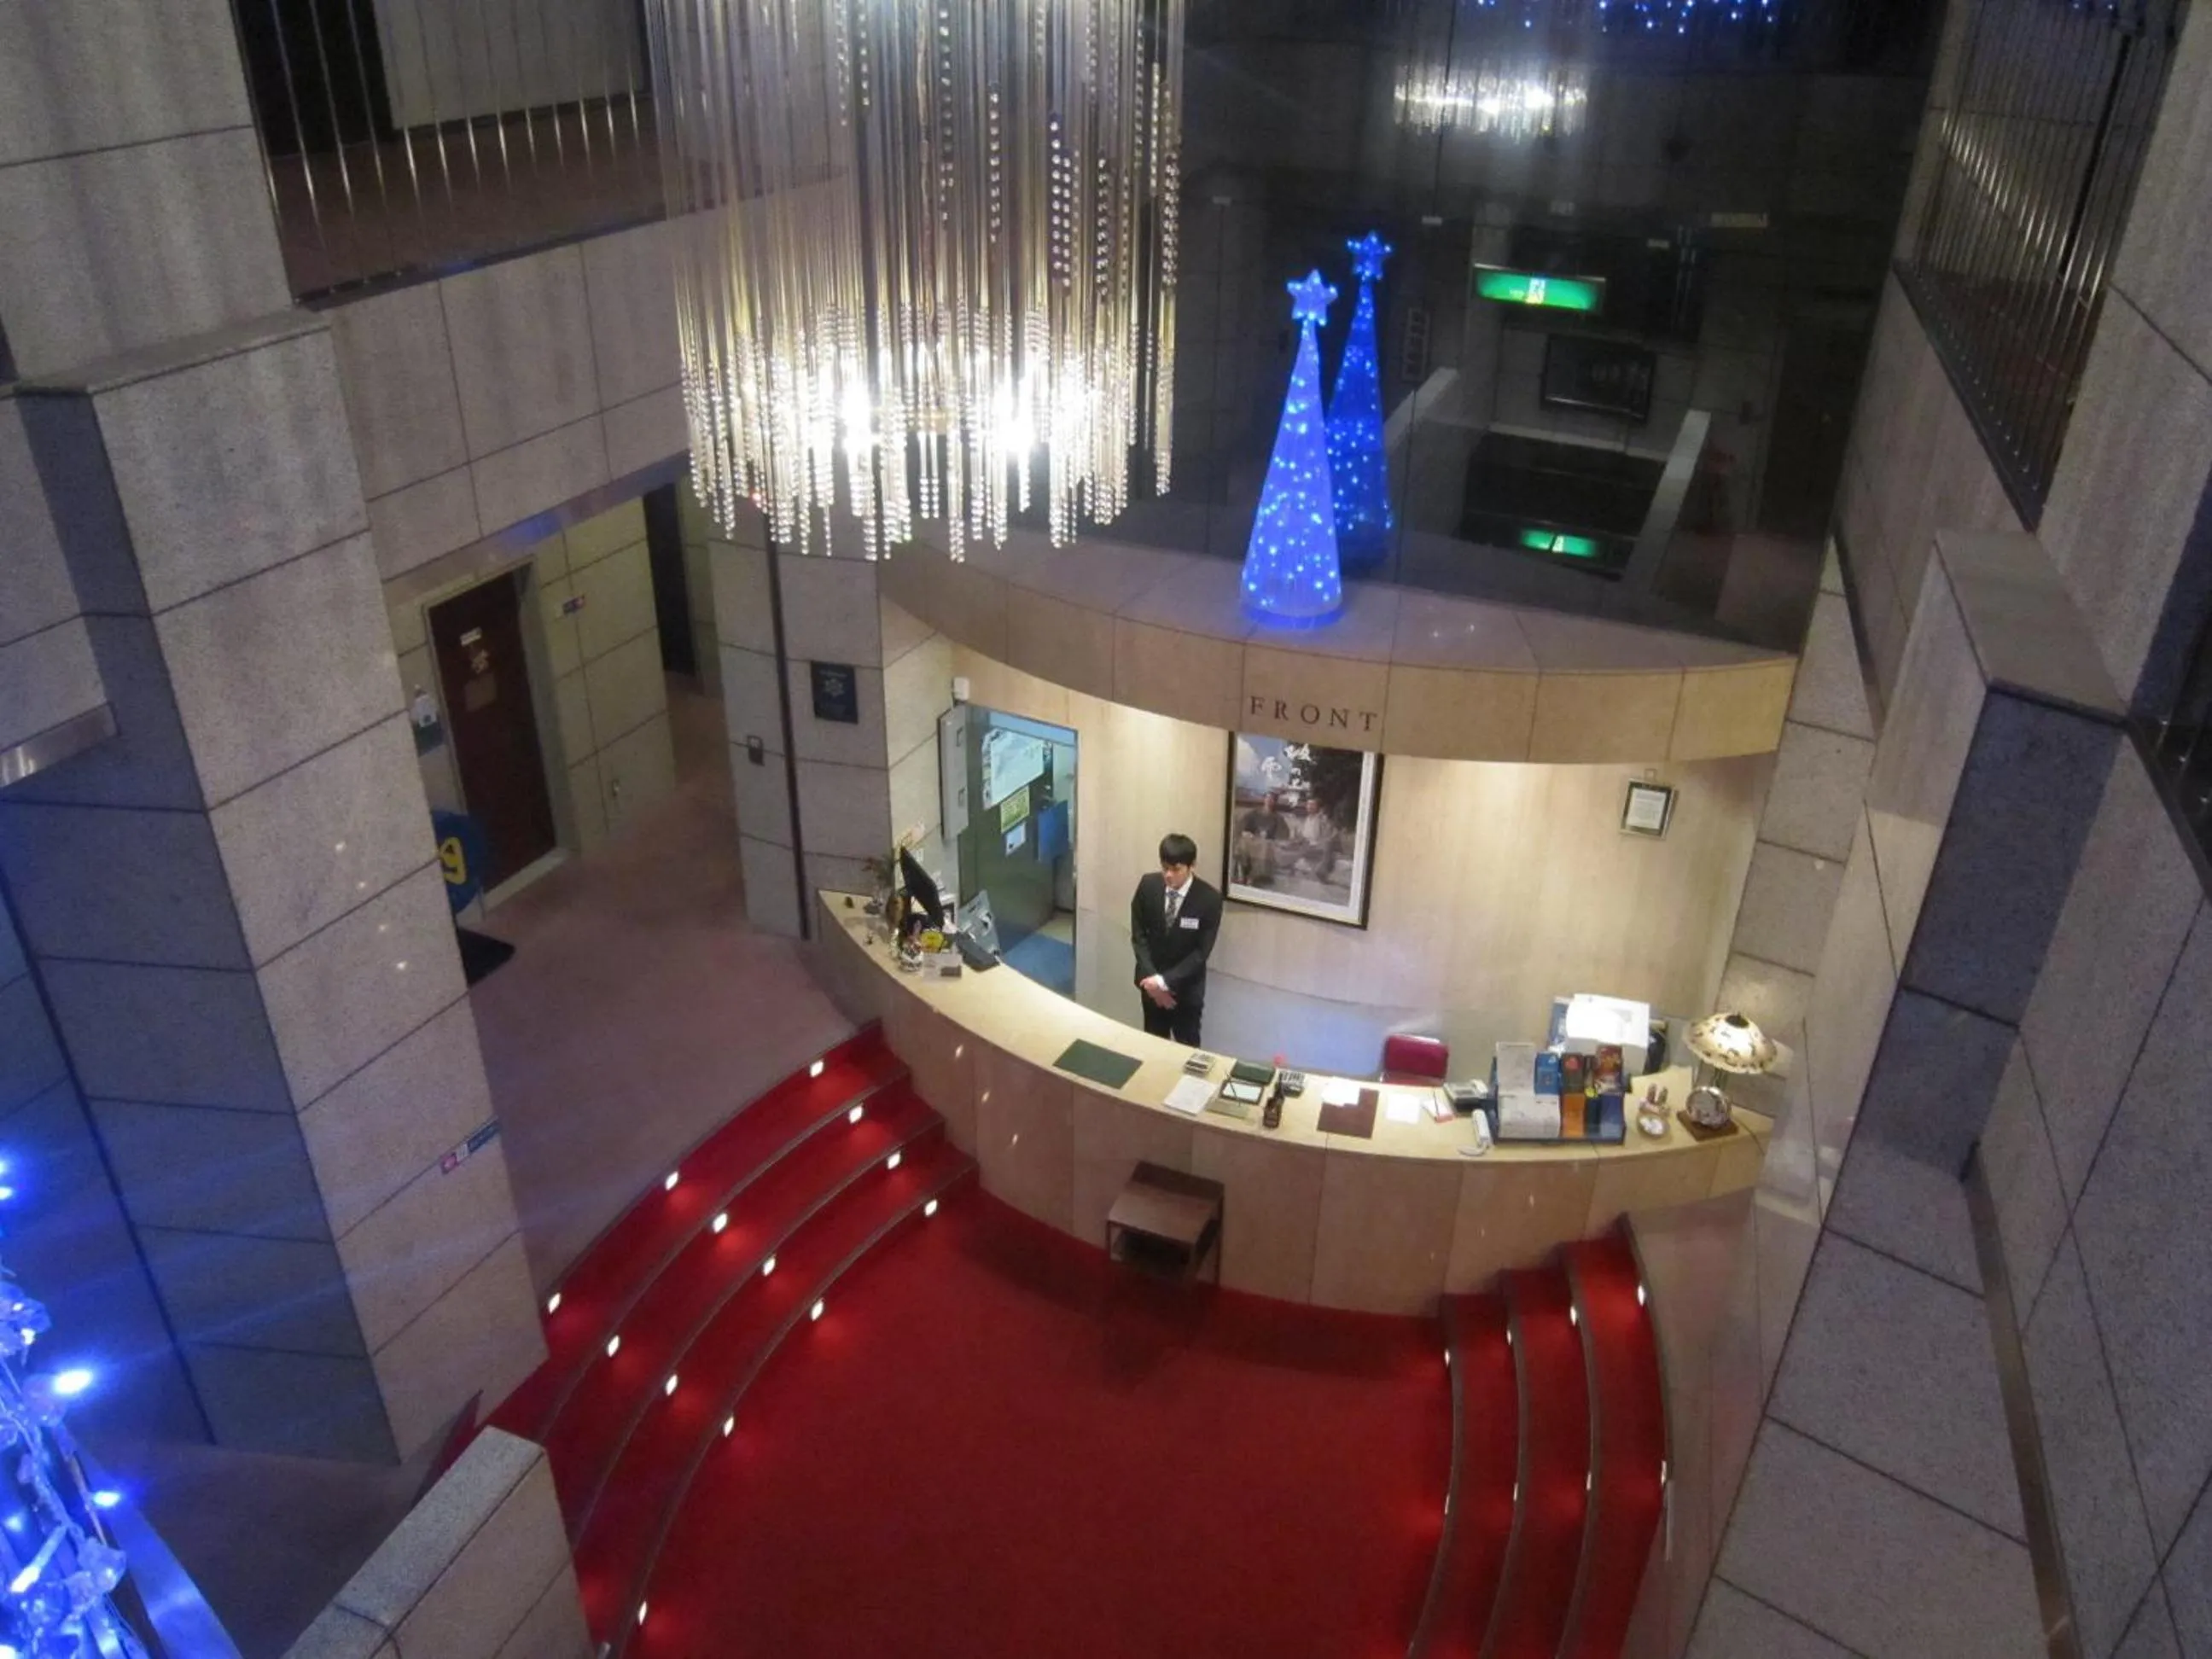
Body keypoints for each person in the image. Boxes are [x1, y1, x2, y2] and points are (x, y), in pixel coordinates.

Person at [1130, 832, 1222, 1046]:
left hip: (1186, 992)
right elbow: (1139, 935)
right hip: (1151, 986)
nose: (1169, 875)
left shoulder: (1209, 899)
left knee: (1187, 1051)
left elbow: (1201, 953)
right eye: (1165, 868)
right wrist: (1154, 983)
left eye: (1176, 869)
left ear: (1191, 866)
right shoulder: (1148, 885)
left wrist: (1165, 982)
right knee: (1153, 1047)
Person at [1235, 791, 1290, 885]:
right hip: (1252, 841)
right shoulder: (1254, 813)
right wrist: (1246, 832)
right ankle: (1242, 875)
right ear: (1264, 800)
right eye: (1267, 798)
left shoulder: (1278, 818)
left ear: (1274, 802)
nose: (1269, 800)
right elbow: (1242, 826)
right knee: (1243, 844)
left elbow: (1283, 835)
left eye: (1271, 799)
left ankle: (1254, 877)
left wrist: (1271, 838)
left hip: (1268, 844)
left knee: (1264, 847)